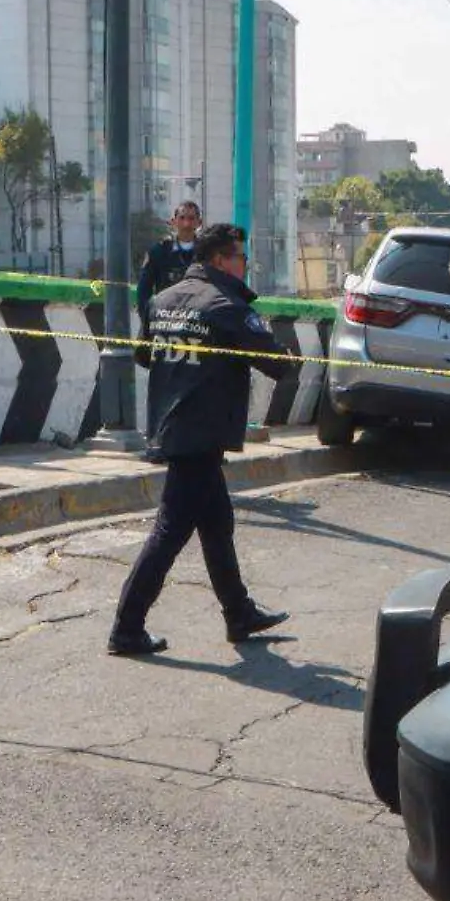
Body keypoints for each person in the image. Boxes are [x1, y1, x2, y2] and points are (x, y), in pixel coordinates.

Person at [108, 223, 293, 657]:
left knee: (216, 524)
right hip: (201, 430)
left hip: (175, 426)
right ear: (219, 260)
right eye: (241, 258)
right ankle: (126, 628)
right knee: (169, 532)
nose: (245, 267)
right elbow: (278, 366)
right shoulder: (225, 305)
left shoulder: (162, 300)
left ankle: (239, 612)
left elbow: (142, 354)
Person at [135, 201, 203, 357]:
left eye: (192, 219)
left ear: (199, 223)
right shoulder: (159, 252)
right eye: (182, 218)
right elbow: (143, 292)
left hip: (197, 326)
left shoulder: (207, 253)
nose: (186, 224)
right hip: (165, 324)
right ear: (173, 222)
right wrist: (149, 322)